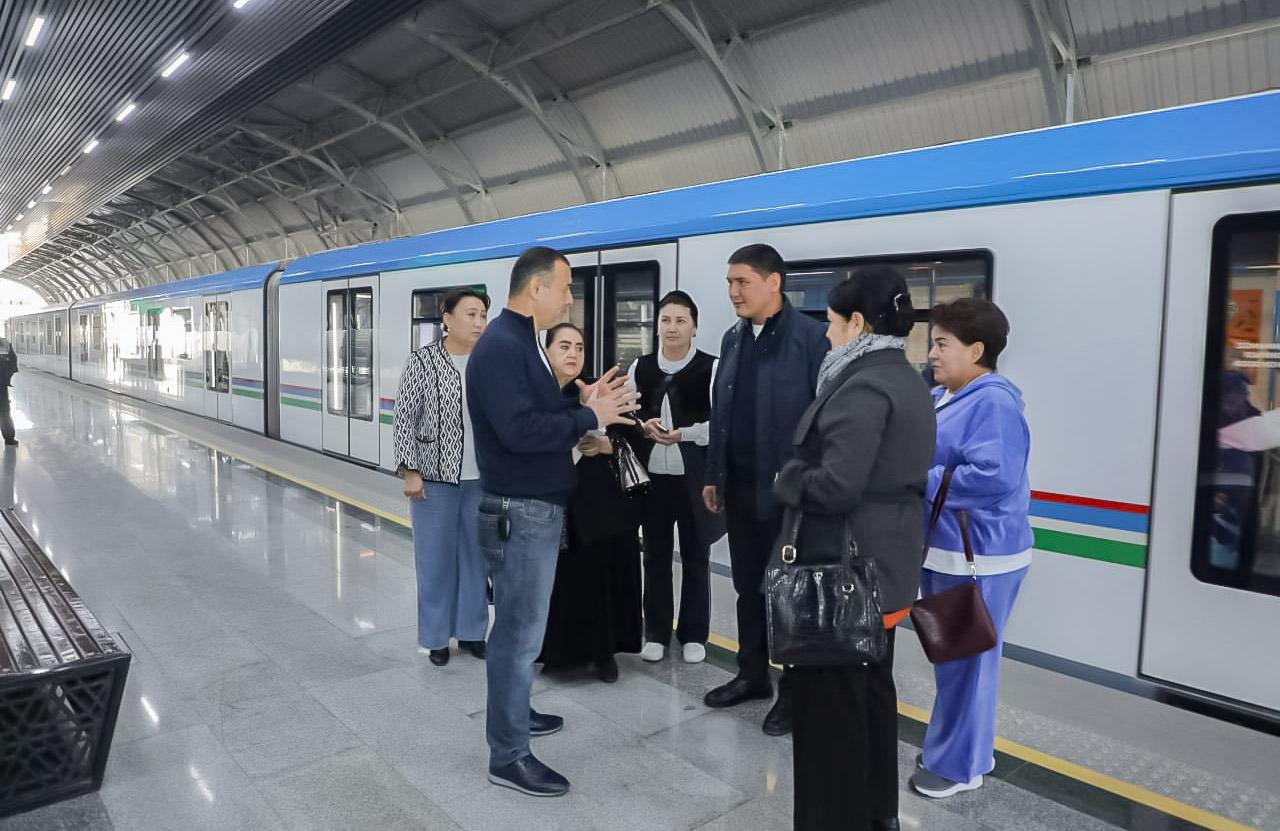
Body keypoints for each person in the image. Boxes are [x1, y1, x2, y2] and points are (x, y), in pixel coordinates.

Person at [466, 246, 638, 798]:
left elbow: (534, 416)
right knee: (517, 638)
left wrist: (579, 402)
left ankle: (515, 712)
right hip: (521, 512)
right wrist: (589, 416)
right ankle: (509, 754)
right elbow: (518, 432)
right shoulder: (502, 347)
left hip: (531, 508)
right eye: (564, 287)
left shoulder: (518, 345)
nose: (569, 298)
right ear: (536, 288)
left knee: (520, 633)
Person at [774, 266, 934, 831]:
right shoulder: (906, 377)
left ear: (858, 323)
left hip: (844, 579)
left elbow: (837, 485)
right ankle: (875, 814)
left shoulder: (862, 386)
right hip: (883, 571)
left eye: (833, 322)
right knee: (870, 699)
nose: (825, 334)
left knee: (830, 717)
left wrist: (788, 478)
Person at [701, 243, 829, 736]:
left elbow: (823, 424)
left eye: (742, 282)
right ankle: (752, 674)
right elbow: (722, 416)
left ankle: (794, 690)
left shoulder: (812, 340)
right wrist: (714, 475)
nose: (733, 292)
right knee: (747, 589)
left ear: (774, 282)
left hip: (789, 500)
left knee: (789, 596)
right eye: (730, 283)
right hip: (740, 491)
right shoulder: (734, 341)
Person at [909, 297, 1032, 800]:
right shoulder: (952, 395)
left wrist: (921, 476)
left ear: (977, 349)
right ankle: (959, 747)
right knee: (954, 659)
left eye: (942, 344)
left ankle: (960, 766)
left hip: (979, 556)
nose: (932, 353)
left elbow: (995, 476)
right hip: (950, 551)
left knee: (968, 662)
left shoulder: (994, 402)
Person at [538, 323, 644, 682]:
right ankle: (559, 652)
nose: (572, 354)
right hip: (554, 506)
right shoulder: (535, 394)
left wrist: (605, 444)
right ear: (547, 350)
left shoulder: (601, 389)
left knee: (599, 581)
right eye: (564, 346)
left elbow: (635, 437)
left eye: (579, 347)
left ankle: (604, 653)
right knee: (560, 582)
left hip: (600, 510)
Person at [393, 288, 491, 667]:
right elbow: (405, 418)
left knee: (475, 561)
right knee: (434, 561)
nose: (479, 322)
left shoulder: (489, 363)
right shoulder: (423, 362)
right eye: (471, 314)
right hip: (434, 478)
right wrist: (411, 471)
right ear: (446, 319)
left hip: (480, 479)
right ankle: (435, 638)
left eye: (482, 315)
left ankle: (471, 633)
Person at [627, 291, 721, 665]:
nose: (672, 327)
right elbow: (627, 416)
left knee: (698, 556)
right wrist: (641, 425)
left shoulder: (710, 368)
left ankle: (695, 633)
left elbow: (722, 426)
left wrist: (686, 434)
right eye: (666, 320)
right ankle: (657, 632)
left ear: (694, 327)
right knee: (655, 555)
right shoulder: (642, 367)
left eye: (681, 320)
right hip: (654, 481)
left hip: (695, 479)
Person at [0, 336, 17, 447]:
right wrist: (6, 377)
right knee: (4, 412)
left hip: (1, 384)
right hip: (1, 384)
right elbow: (13, 362)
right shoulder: (4, 343)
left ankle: (10, 438)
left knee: (5, 412)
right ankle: (9, 439)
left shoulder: (4, 344)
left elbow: (13, 361)